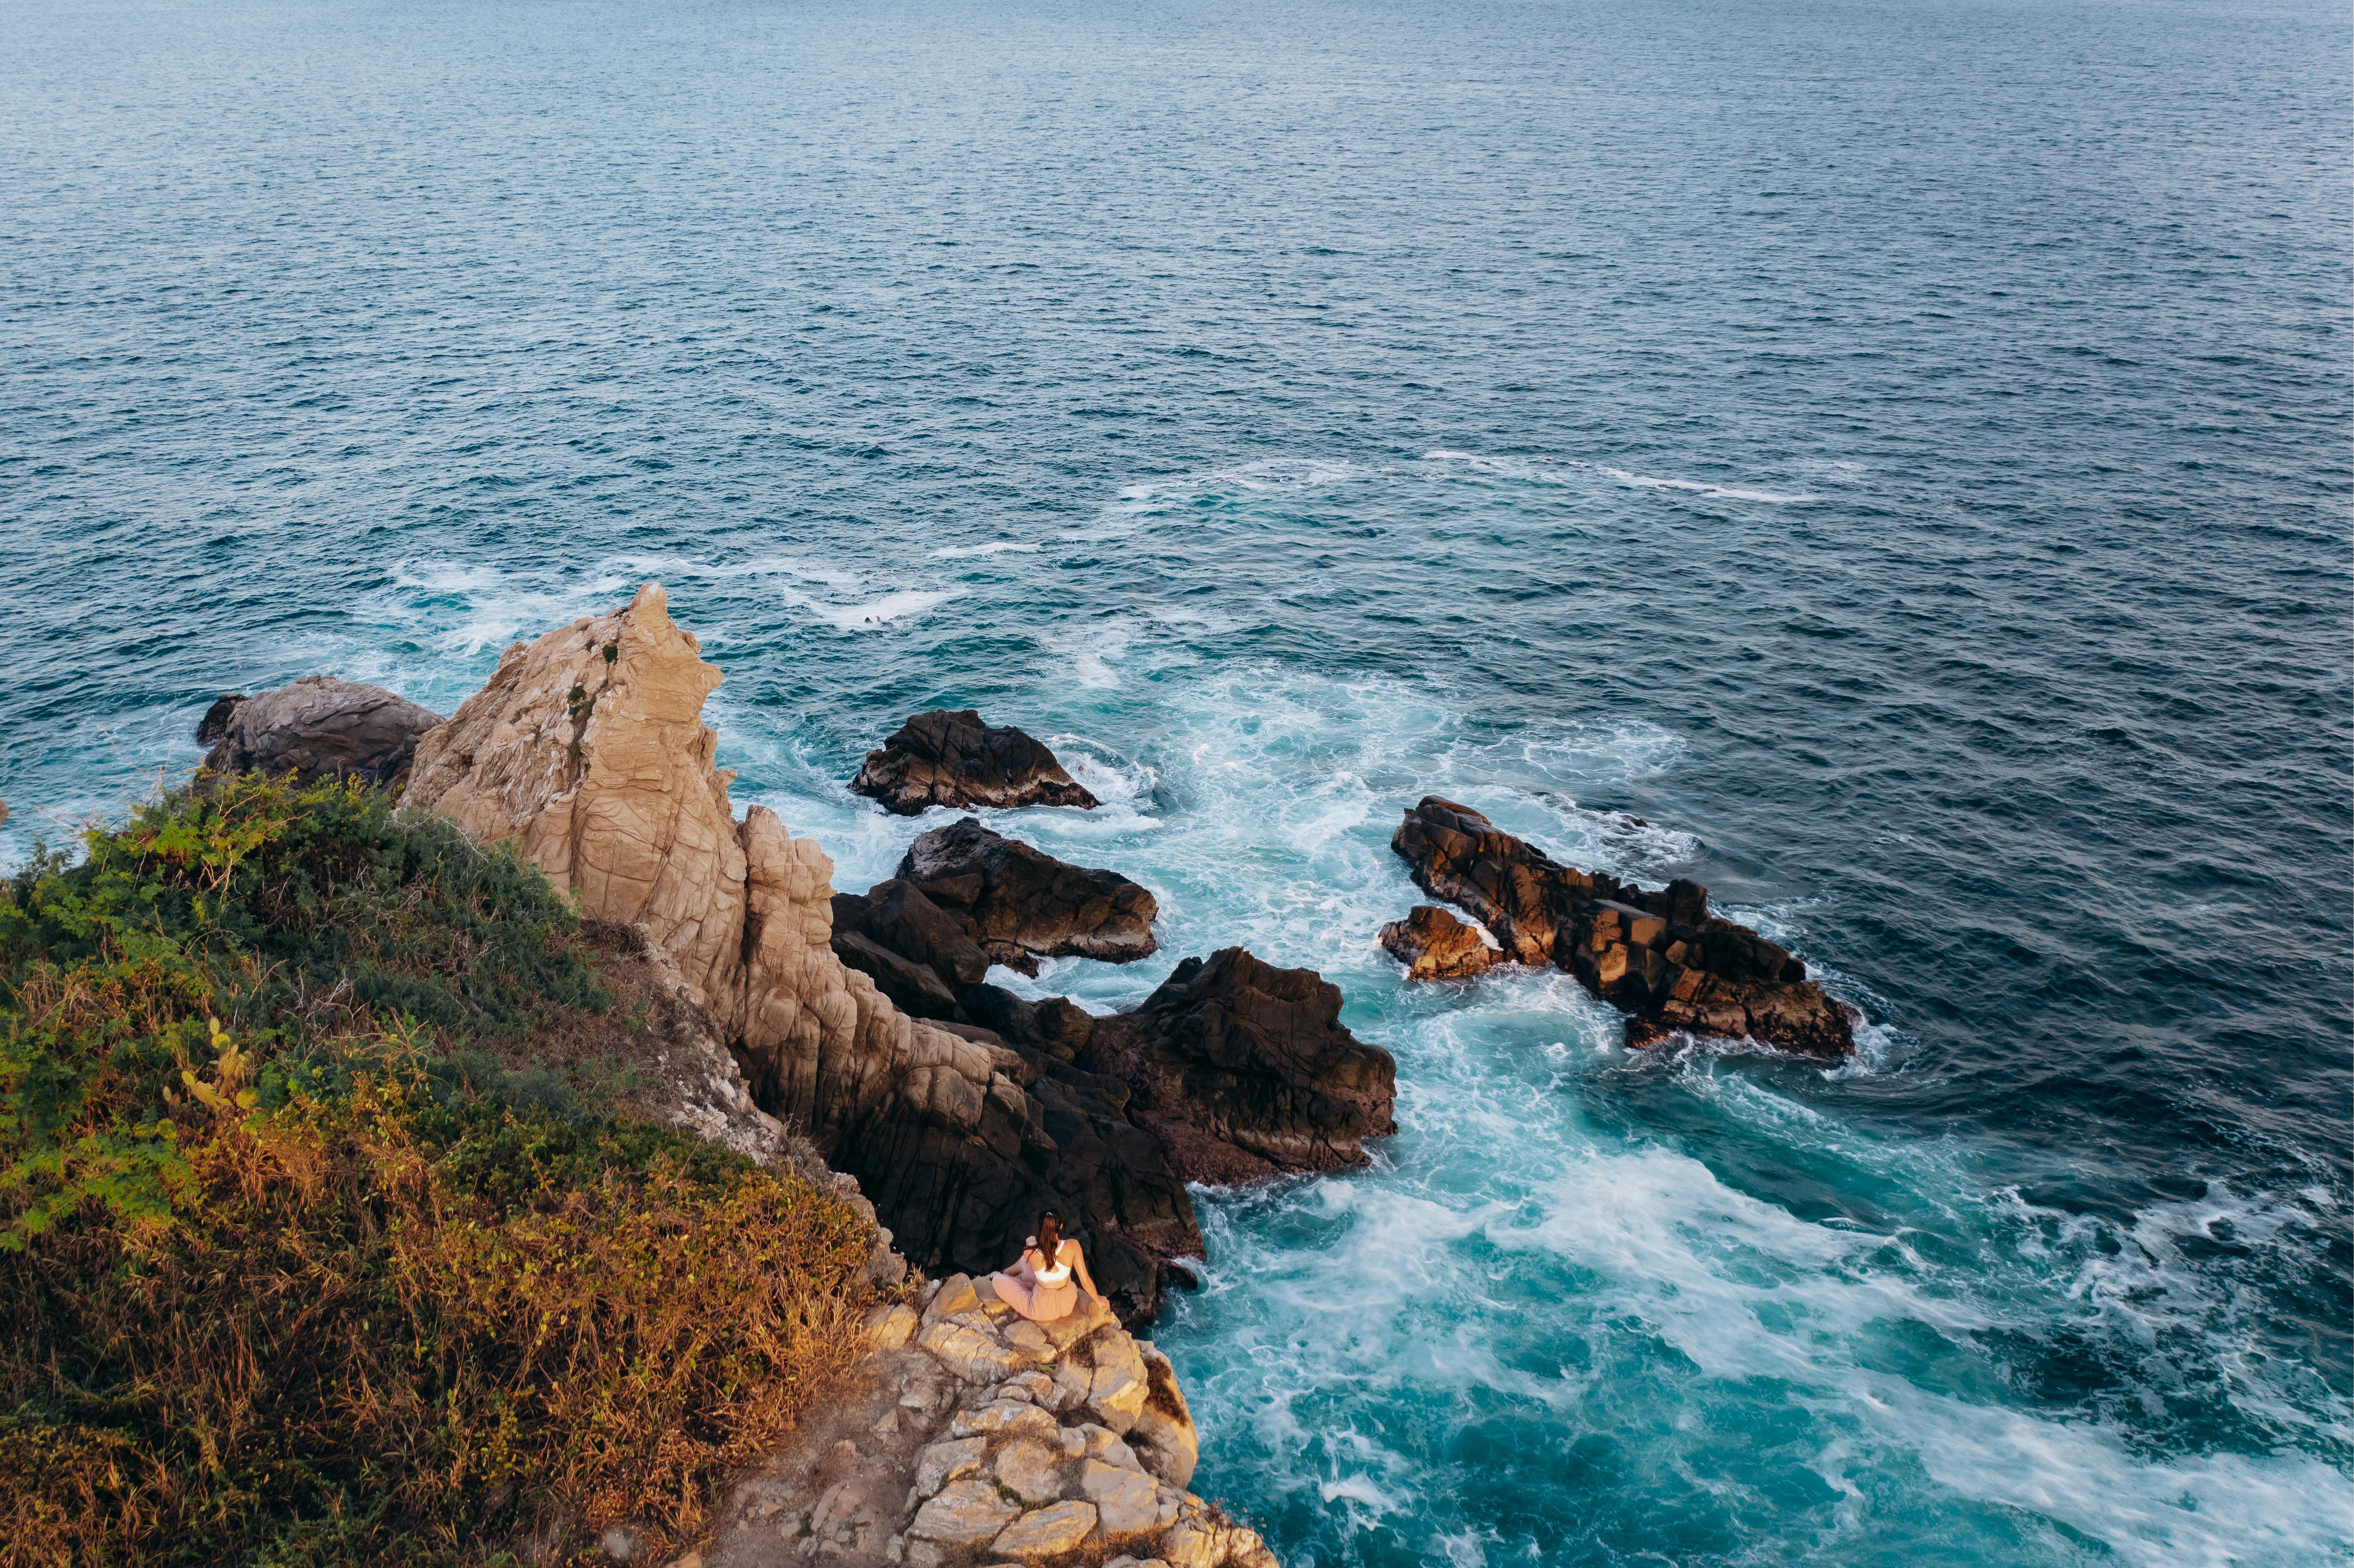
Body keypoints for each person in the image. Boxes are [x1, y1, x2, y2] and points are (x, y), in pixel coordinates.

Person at [988, 1210, 1097, 1323]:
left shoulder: (1030, 1252)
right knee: (1032, 1261)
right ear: (1060, 1226)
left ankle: (1006, 1273)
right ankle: (1010, 1274)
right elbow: (1085, 1282)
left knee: (998, 1279)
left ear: (1041, 1227)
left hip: (1043, 1309)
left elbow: (1030, 1253)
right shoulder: (1073, 1246)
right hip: (1066, 1304)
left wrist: (1030, 1242)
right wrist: (1099, 1300)